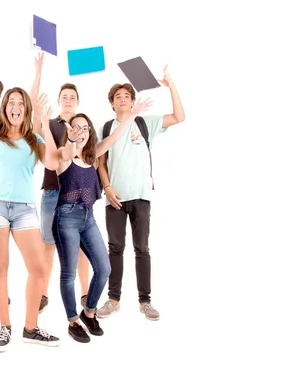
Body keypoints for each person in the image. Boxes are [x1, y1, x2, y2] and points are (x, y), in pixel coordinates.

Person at [0, 87, 60, 352]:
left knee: (39, 268)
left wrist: (46, 125)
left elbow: (51, 164)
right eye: (11, 102)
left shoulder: (34, 138)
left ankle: (30, 328)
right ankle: (5, 327)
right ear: (5, 108)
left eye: (20, 103)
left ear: (26, 109)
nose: (15, 106)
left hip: (25, 208)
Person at [48, 97, 150, 342]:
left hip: (87, 218)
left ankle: (89, 312)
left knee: (103, 269)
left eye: (85, 128)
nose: (81, 131)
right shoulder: (65, 154)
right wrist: (71, 139)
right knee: (68, 274)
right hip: (66, 218)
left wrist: (132, 114)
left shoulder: (92, 156)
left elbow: (114, 137)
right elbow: (67, 150)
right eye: (76, 127)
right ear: (69, 131)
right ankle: (73, 320)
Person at [96, 65, 185, 321]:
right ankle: (113, 300)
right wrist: (107, 187)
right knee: (115, 248)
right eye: (117, 97)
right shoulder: (105, 127)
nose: (122, 99)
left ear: (133, 102)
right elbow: (100, 162)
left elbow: (179, 117)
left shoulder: (145, 123)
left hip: (141, 196)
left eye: (126, 96)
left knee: (142, 248)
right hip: (115, 198)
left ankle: (145, 301)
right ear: (112, 104)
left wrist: (171, 85)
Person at [32, 82, 91, 312]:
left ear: (77, 101)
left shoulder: (84, 126)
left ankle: (85, 292)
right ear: (58, 101)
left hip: (76, 193)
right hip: (51, 190)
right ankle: (43, 294)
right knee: (48, 244)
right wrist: (38, 113)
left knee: (78, 246)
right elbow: (36, 135)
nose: (68, 100)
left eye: (72, 97)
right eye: (64, 96)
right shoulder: (49, 124)